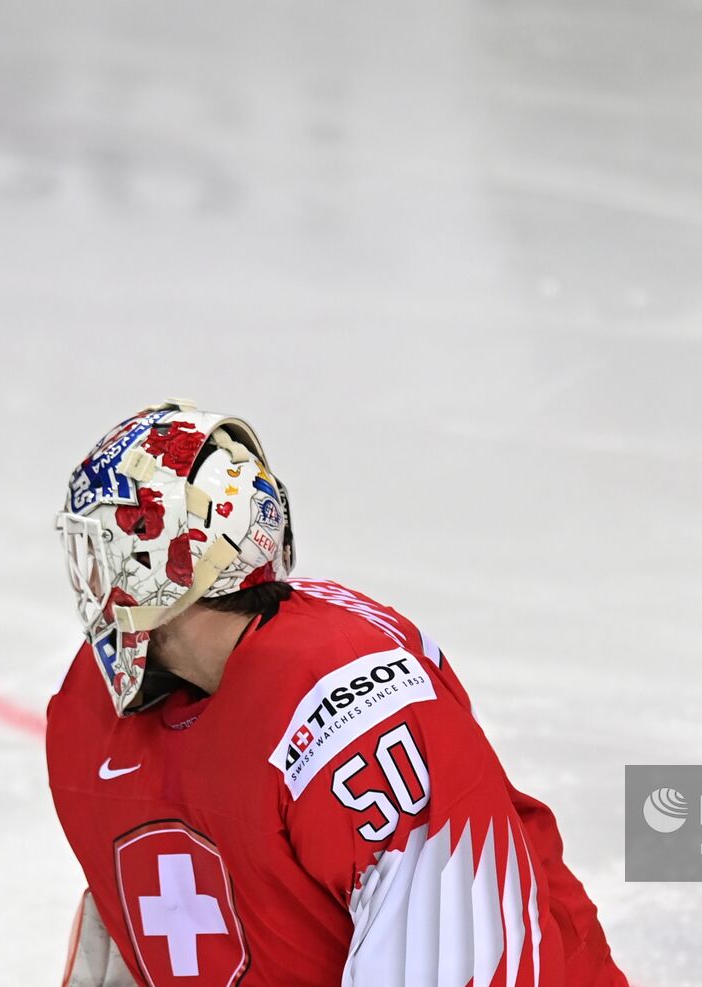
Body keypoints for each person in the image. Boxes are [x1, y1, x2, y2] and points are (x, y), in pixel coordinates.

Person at [48, 400, 628, 987]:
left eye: (105, 546)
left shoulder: (354, 708)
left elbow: (458, 960)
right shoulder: (92, 712)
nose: (91, 577)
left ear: (170, 561)